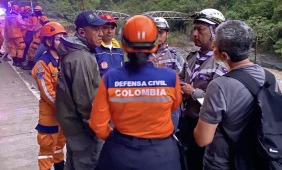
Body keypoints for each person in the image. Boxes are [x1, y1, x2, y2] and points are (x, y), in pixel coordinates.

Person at [89, 15, 182, 170]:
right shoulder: (170, 78)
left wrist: (117, 140)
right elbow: (174, 108)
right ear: (154, 45)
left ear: (124, 45)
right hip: (162, 156)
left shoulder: (110, 78)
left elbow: (97, 124)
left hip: (119, 155)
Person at [193, 20, 281, 170]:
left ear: (224, 55)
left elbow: (202, 139)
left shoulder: (219, 86)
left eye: (215, 47)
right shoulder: (269, 77)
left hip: (224, 163)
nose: (213, 50)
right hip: (259, 158)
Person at [55, 10, 107, 170]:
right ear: (81, 32)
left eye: (102, 29)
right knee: (88, 164)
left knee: (73, 163)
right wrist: (99, 130)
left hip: (73, 128)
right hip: (84, 131)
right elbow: (85, 102)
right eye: (96, 30)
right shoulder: (81, 58)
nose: (101, 34)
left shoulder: (78, 53)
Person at [177, 8, 227, 170]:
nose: (195, 34)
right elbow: (181, 79)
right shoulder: (191, 57)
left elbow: (219, 103)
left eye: (200, 30)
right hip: (186, 121)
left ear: (215, 33)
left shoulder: (221, 63)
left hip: (206, 125)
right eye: (194, 29)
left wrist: (193, 93)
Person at [31, 22, 67, 170]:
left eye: (63, 38)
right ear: (48, 41)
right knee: (47, 149)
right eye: (58, 39)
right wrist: (64, 106)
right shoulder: (42, 64)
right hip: (50, 114)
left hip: (63, 112)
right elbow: (47, 92)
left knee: (60, 144)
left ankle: (60, 167)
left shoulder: (64, 59)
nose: (62, 42)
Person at [152, 17, 186, 131]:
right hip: (150, 104)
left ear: (167, 34)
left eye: (160, 32)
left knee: (171, 133)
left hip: (171, 104)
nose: (157, 36)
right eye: (154, 32)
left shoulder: (174, 55)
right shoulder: (144, 55)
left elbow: (182, 79)